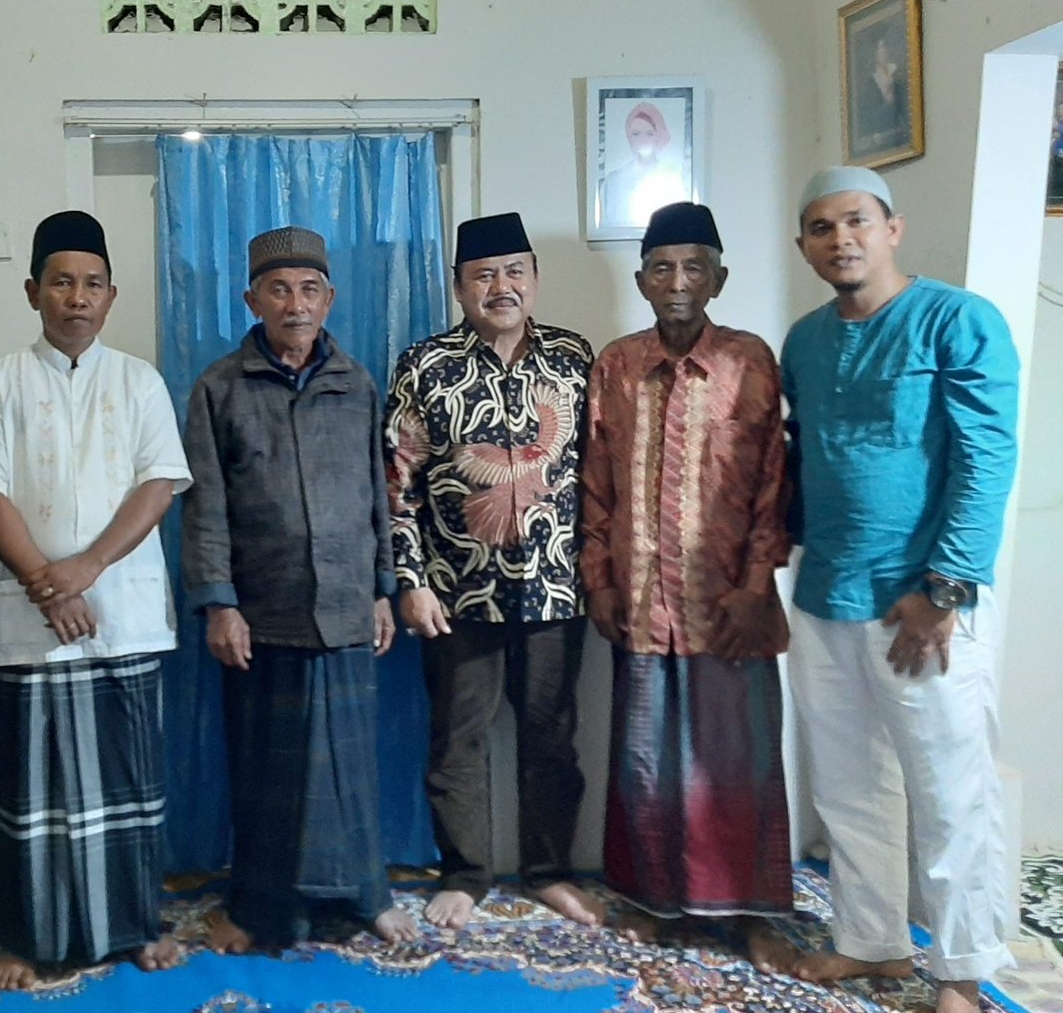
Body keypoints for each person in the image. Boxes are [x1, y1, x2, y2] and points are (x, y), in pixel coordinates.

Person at [782, 166, 1019, 1013]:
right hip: (825, 592)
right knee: (847, 785)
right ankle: (870, 941)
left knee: (951, 791)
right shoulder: (804, 340)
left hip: (923, 603)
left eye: (856, 221)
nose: (840, 239)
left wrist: (944, 590)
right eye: (821, 227)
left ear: (893, 228)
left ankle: (962, 972)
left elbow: (987, 459)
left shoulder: (958, 320)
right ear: (804, 246)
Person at [0, 210, 192, 989]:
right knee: (33, 795)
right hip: (31, 623)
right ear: (33, 292)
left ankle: (137, 928)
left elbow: (158, 485)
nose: (77, 298)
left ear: (112, 296)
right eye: (62, 282)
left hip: (124, 615)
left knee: (129, 791)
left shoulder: (139, 380)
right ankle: (22, 939)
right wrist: (46, 586)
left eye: (92, 284)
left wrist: (86, 568)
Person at [182, 226, 419, 953]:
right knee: (267, 776)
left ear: (329, 298)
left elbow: (377, 496)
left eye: (309, 289)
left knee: (352, 773)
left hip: (347, 605)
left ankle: (367, 898)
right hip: (264, 612)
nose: (296, 304)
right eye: (279, 290)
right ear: (251, 299)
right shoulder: (220, 387)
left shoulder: (357, 384)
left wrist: (382, 589)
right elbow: (206, 506)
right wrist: (220, 603)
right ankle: (260, 912)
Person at [581, 202, 795, 969]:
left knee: (737, 766)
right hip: (642, 602)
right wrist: (600, 580)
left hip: (729, 605)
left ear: (719, 279)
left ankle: (752, 911)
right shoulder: (615, 365)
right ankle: (658, 903)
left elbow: (774, 481)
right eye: (663, 268)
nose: (678, 282)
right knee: (647, 761)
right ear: (642, 280)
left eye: (694, 267)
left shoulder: (748, 360)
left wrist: (756, 583)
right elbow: (595, 483)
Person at [384, 211, 603, 931]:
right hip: (456, 593)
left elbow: (600, 471)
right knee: (457, 739)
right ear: (459, 286)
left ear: (535, 279)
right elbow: (397, 484)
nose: (500, 287)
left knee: (552, 739)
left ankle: (549, 872)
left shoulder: (574, 357)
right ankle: (465, 874)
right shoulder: (424, 366)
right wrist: (411, 580)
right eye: (483, 275)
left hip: (555, 585)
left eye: (514, 272)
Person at [603, 102, 688, 229]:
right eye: (636, 134)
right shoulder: (614, 180)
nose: (643, 139)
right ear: (629, 137)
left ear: (659, 136)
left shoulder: (675, 179)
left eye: (649, 133)